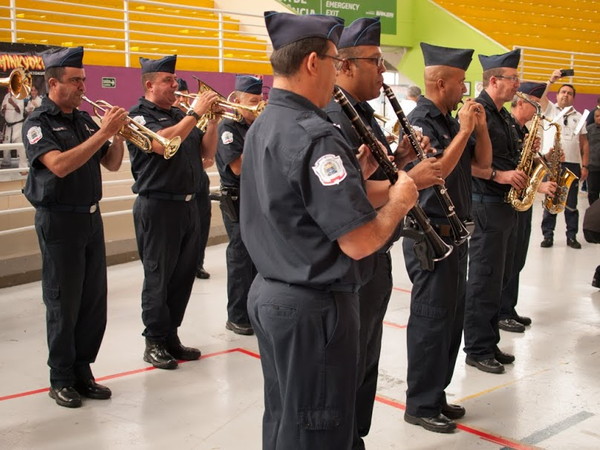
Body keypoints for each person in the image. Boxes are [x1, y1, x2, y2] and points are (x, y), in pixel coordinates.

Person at [241, 11, 419, 449]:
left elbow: (295, 203)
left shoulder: (265, 123)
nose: (338, 72)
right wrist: (399, 200)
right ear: (311, 63)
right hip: (314, 308)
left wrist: (357, 181)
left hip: (272, 293)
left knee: (286, 421)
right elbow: (359, 242)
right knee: (318, 431)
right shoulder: (315, 135)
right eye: (335, 61)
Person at [324, 19, 442, 446]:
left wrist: (402, 159)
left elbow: (373, 176)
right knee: (347, 365)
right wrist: (410, 181)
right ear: (345, 66)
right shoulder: (335, 118)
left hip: (375, 257)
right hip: (353, 258)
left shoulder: (362, 114)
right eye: (374, 61)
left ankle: (356, 437)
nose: (382, 70)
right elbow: (349, 195)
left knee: (365, 362)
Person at [22, 46, 128, 408]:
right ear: (53, 84)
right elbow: (59, 165)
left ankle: (83, 370)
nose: (83, 86)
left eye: (83, 80)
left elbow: (111, 163)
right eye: (75, 80)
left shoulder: (83, 120)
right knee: (63, 302)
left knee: (92, 300)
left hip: (90, 218)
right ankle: (61, 377)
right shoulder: (38, 123)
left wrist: (118, 136)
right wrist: (103, 132)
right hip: (60, 221)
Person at [401, 42, 492, 433]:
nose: (465, 90)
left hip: (455, 235)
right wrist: (466, 129)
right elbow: (436, 169)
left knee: (451, 322)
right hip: (430, 234)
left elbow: (482, 163)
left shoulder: (452, 122)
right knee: (431, 320)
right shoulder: (419, 121)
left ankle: (435, 393)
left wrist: (479, 129)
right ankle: (420, 403)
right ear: (441, 83)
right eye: (460, 82)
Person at [128, 55, 219, 370]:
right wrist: (196, 113)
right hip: (158, 206)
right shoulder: (138, 116)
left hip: (188, 204)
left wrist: (213, 120)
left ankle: (170, 335)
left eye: (175, 78)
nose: (176, 84)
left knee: (182, 276)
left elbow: (207, 153)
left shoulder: (181, 114)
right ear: (150, 85)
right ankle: (153, 340)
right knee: (159, 276)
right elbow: (161, 144)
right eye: (168, 80)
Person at [463, 48, 527, 375]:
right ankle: (476, 348)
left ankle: (489, 341)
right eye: (513, 78)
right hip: (486, 204)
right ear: (494, 80)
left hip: (505, 206)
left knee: (499, 278)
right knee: (483, 279)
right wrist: (497, 175)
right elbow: (462, 162)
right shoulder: (476, 111)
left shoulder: (502, 115)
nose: (518, 84)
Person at [493, 82, 558, 333]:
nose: (538, 111)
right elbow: (510, 168)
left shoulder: (523, 130)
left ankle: (508, 308)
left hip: (522, 201)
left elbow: (527, 165)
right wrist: (538, 186)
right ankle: (500, 312)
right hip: (508, 201)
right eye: (536, 105)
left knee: (517, 258)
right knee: (506, 260)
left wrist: (547, 157)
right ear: (521, 103)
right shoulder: (507, 127)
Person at [216, 74, 262, 336]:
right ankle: (237, 316)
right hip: (237, 198)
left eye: (260, 100)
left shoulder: (257, 124)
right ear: (238, 101)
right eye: (253, 101)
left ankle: (253, 311)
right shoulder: (229, 127)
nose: (258, 106)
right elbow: (238, 167)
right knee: (240, 259)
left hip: (257, 197)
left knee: (258, 258)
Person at [539, 70, 589, 249]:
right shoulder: (550, 110)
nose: (565, 95)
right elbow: (540, 96)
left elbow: (584, 143)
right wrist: (551, 80)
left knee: (571, 203)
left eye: (569, 93)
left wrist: (585, 165)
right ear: (557, 95)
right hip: (551, 163)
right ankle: (548, 236)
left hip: (573, 164)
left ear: (573, 98)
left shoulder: (579, 117)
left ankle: (571, 236)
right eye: (562, 92)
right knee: (551, 199)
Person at [174, 77, 212, 280]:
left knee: (202, 223)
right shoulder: (175, 120)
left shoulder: (197, 119)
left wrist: (213, 122)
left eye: (185, 96)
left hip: (199, 179)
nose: (182, 100)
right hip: (179, 181)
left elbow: (208, 154)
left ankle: (198, 263)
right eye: (178, 96)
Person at [1, 89, 25, 168]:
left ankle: (23, 166)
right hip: (8, 125)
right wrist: (3, 109)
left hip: (17, 125)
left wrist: (13, 103)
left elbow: (20, 110)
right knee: (6, 145)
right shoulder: (6, 96)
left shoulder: (20, 96)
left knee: (20, 146)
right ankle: (6, 162)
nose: (10, 89)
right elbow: (2, 111)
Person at [585, 108, 600, 205]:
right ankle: (594, 212)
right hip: (593, 167)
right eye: (597, 116)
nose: (599, 118)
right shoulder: (589, 130)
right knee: (592, 193)